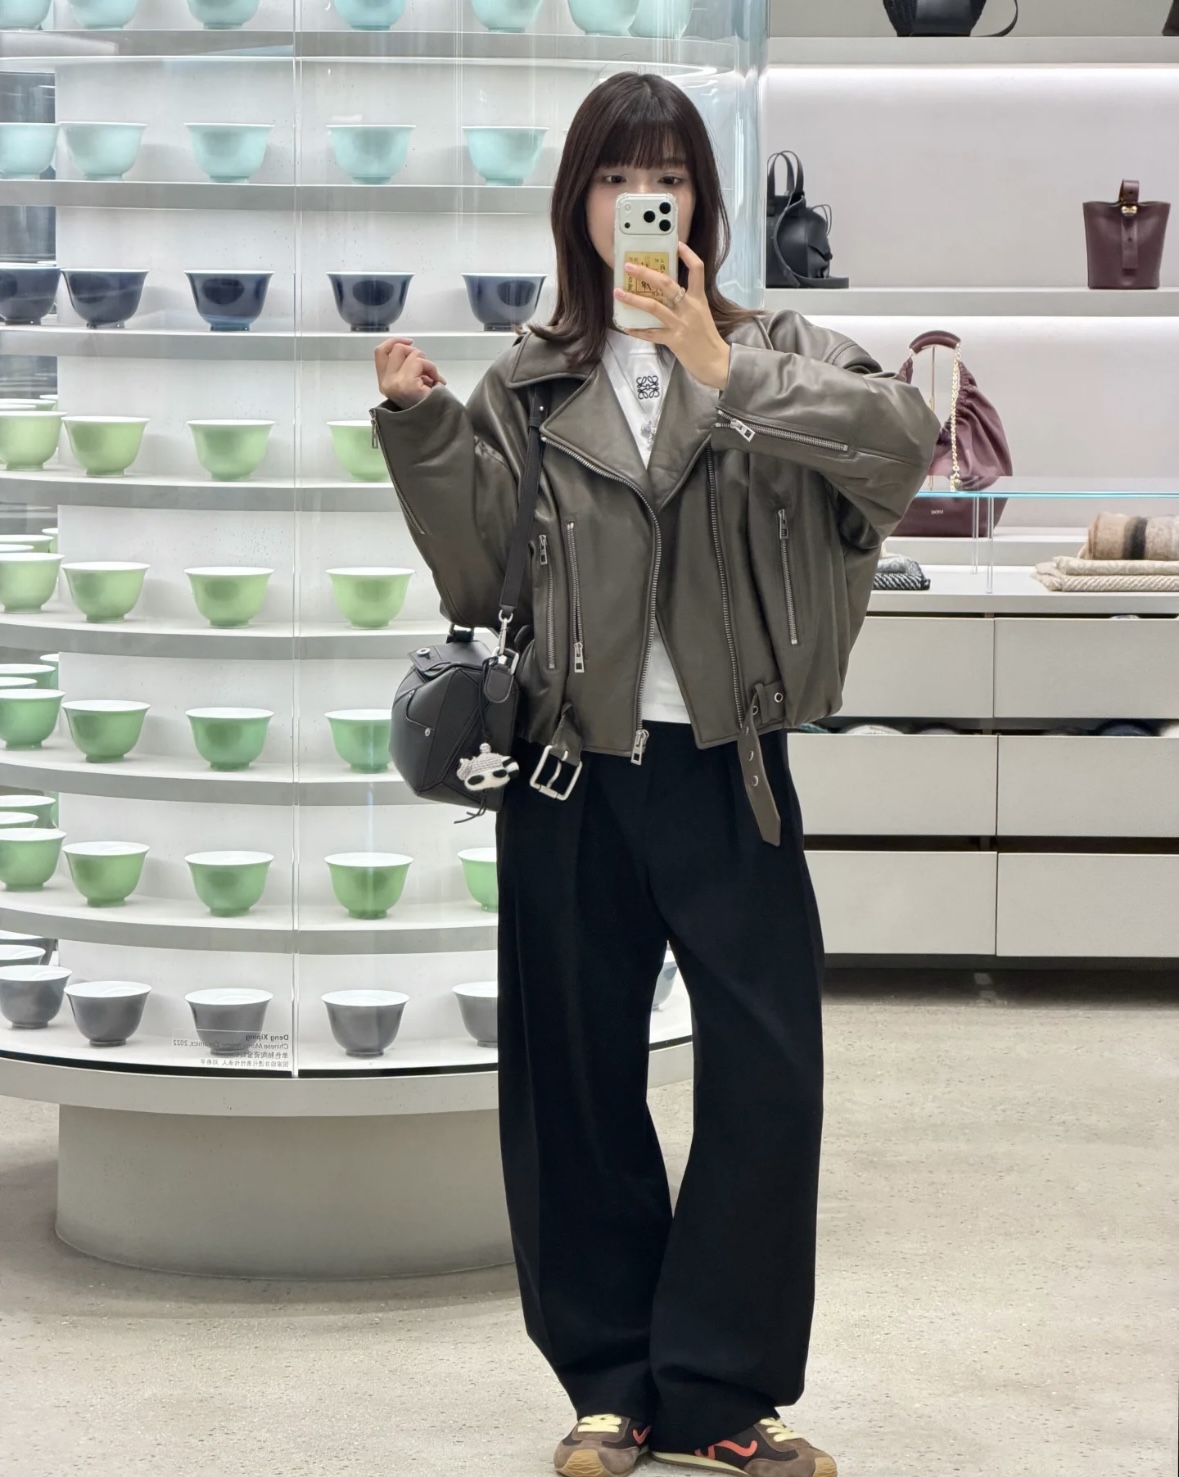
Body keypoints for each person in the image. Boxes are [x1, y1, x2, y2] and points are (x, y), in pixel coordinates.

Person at [372, 70, 938, 1477]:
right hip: (573, 777)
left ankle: (723, 1391)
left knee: (768, 1081)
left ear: (704, 202)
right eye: (618, 178)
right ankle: (612, 1385)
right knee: (574, 1087)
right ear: (579, 204)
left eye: (668, 176)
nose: (644, 199)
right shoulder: (530, 382)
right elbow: (476, 578)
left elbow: (900, 449)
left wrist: (720, 368)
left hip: (733, 771)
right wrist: (428, 432)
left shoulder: (779, 349)